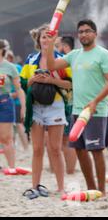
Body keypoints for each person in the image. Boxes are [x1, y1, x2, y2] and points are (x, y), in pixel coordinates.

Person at [45, 19, 108, 196]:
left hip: (96, 111)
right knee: (80, 150)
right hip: (77, 110)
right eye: (81, 31)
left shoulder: (103, 54)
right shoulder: (74, 55)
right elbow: (51, 66)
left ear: (95, 34)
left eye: (88, 31)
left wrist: (95, 102)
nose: (84, 34)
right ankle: (91, 188)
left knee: (96, 150)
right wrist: (50, 45)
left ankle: (102, 190)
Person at [20, 25, 72, 199]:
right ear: (38, 40)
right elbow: (23, 85)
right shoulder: (31, 59)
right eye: (43, 37)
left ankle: (61, 187)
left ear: (54, 40)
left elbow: (70, 84)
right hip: (35, 107)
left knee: (55, 149)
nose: (46, 40)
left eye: (49, 37)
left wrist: (51, 80)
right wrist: (33, 80)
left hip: (55, 106)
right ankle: (35, 186)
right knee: (37, 149)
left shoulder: (62, 60)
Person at [53, 35, 77, 174]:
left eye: (57, 46)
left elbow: (70, 84)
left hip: (69, 102)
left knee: (67, 139)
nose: (55, 49)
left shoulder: (67, 61)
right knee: (64, 140)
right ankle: (68, 169)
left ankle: (70, 170)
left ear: (66, 47)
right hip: (68, 102)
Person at [0, 40, 25, 170]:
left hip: (5, 103)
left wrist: (24, 107)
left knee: (6, 137)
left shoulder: (10, 67)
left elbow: (19, 89)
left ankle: (11, 167)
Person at [5, 50, 28, 152]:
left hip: (16, 102)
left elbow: (20, 87)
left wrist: (13, 94)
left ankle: (26, 147)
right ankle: (15, 146)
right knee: (11, 126)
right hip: (8, 102)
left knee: (19, 124)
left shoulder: (15, 68)